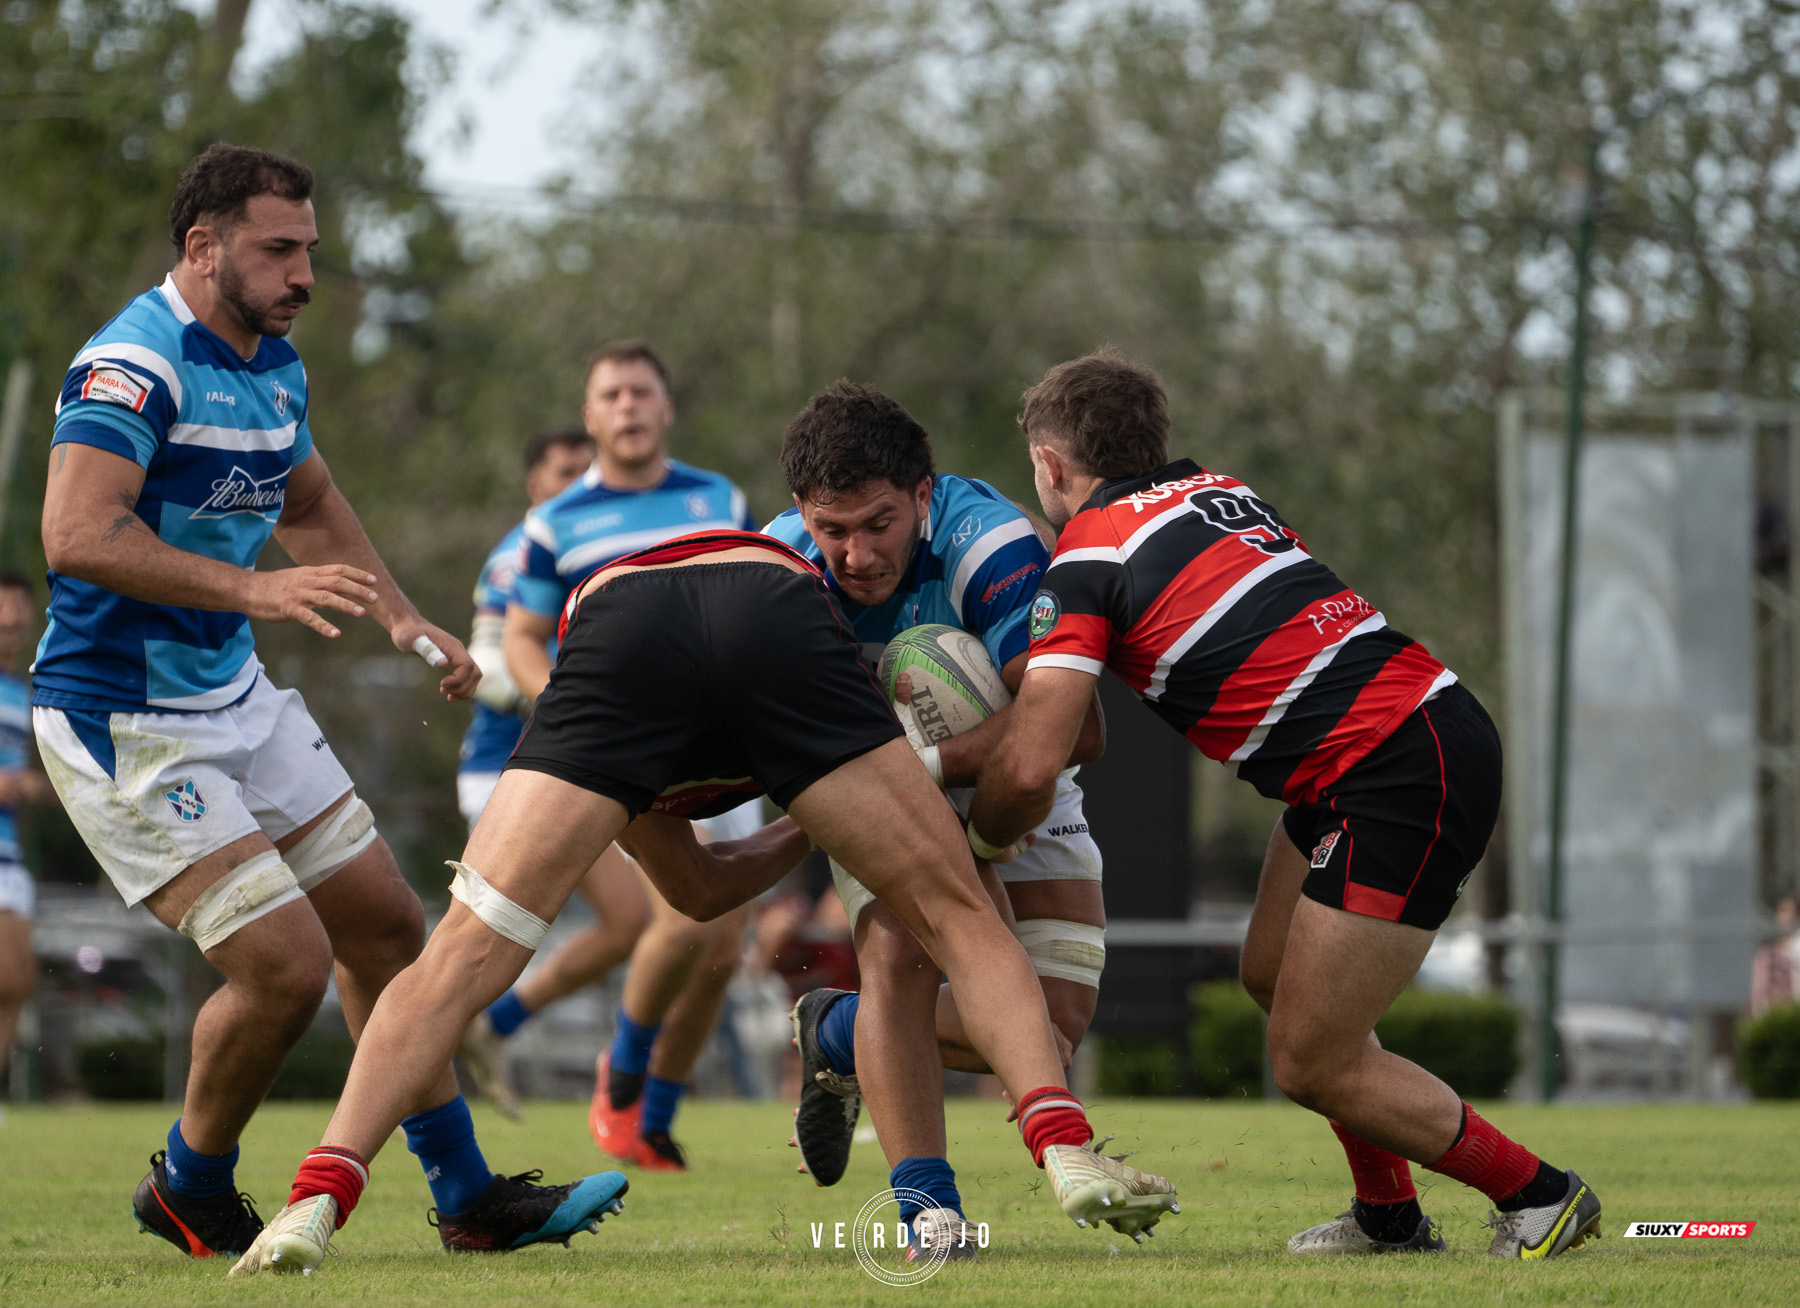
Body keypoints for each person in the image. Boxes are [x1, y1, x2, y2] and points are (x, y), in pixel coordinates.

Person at [229, 527, 1177, 1277]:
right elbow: (705, 892)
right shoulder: (792, 586)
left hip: (617, 630)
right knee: (957, 914)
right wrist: (834, 815)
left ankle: (319, 1190)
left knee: (461, 955)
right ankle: (1065, 1144)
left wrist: (823, 816)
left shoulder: (620, 693)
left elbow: (695, 889)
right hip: (767, 605)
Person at [34, 142, 620, 1260]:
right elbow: (75, 533)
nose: (306, 273)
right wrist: (252, 586)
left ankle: (466, 1197)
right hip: (125, 720)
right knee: (286, 967)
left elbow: (308, 497)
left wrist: (402, 617)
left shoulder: (274, 365)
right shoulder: (130, 366)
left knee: (393, 928)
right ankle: (189, 1186)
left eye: (311, 249)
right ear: (203, 247)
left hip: (234, 695)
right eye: (280, 249)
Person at [968, 348, 1602, 1261]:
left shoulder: (1089, 558)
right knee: (1269, 975)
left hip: (1396, 764)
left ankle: (1539, 1196)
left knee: (1309, 1059)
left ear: (1051, 465)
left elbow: (1033, 765)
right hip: (1382, 747)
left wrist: (974, 844)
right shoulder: (1221, 492)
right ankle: (1388, 1217)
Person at [762, 381, 1110, 1252]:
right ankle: (930, 1211)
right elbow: (781, 754)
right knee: (902, 955)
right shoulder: (776, 571)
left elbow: (1080, 731)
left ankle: (836, 1031)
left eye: (878, 523)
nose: (855, 553)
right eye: (831, 529)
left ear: (923, 495)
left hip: (1006, 773)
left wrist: (961, 807)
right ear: (802, 512)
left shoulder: (986, 543)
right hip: (870, 780)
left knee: (1049, 1027)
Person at [480, 340, 762, 1170]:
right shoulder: (555, 523)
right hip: (628, 752)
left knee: (723, 943)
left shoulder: (718, 497)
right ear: (591, 413)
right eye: (613, 394)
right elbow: (524, 640)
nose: (629, 406)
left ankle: (652, 1114)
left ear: (666, 408)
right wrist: (569, 709)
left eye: (643, 391)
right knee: (684, 916)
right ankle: (625, 1077)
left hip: (722, 739)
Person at [451, 427, 653, 1121]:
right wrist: (575, 693)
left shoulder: (593, 546)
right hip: (510, 771)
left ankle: (485, 1027)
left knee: (629, 922)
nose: (577, 481)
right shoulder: (518, 555)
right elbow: (489, 670)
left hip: (572, 770)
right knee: (477, 945)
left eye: (585, 469)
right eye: (563, 471)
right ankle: (428, 1057)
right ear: (534, 485)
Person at [0, 572, 58, 1091]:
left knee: (17, 982)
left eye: (18, 623)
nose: (11, 631)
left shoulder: (23, 692)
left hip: (9, 853)